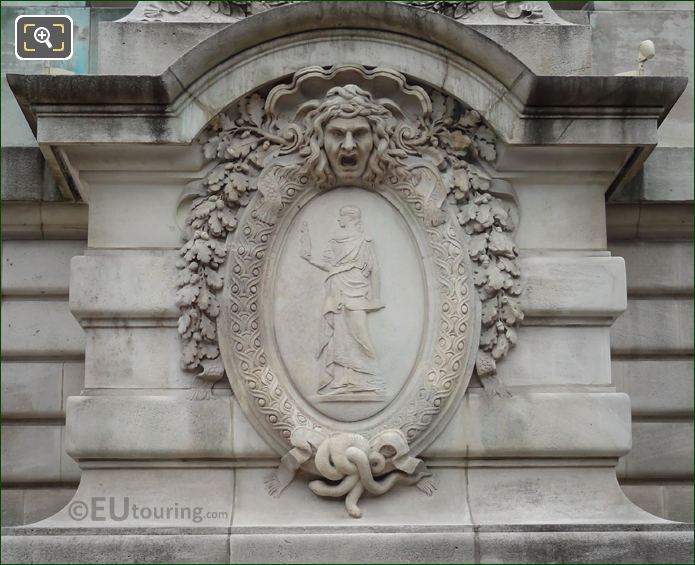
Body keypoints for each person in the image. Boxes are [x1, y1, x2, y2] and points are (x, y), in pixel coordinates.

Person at [300, 206, 385, 395]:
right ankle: (344, 381)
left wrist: (376, 297)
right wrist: (310, 259)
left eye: (341, 217)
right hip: (337, 292)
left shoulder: (364, 241)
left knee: (360, 334)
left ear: (350, 218)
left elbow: (374, 270)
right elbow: (330, 266)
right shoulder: (335, 241)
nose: (339, 221)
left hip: (357, 292)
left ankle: (374, 378)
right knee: (339, 338)